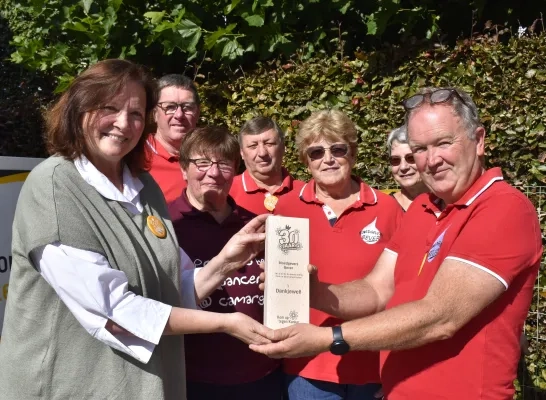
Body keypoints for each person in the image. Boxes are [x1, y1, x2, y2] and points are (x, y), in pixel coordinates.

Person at [0, 59, 272, 400]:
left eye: (136, 113)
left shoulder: (145, 188)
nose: (123, 124)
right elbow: (113, 312)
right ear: (77, 110)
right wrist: (226, 321)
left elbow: (173, 289)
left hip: (142, 385)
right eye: (109, 108)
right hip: (69, 387)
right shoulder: (55, 184)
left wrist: (226, 261)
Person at [251, 88, 543, 400]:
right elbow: (377, 290)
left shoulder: (504, 208)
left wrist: (329, 337)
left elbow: (440, 316)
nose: (432, 160)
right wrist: (312, 291)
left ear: (479, 140)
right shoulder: (420, 209)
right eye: (420, 148)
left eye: (444, 143)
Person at [272, 109, 403, 400]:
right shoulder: (287, 208)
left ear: (353, 154)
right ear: (306, 161)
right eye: (316, 152)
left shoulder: (386, 208)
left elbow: (401, 288)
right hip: (308, 365)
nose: (327, 158)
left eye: (338, 149)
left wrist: (393, 362)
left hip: (370, 363)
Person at [168, 125, 282, 400]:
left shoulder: (255, 224)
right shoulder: (165, 226)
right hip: (193, 379)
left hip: (261, 374)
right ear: (184, 169)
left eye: (223, 164)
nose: (214, 173)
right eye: (202, 163)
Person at [230, 116, 304, 214]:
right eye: (253, 146)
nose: (262, 153)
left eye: (269, 144)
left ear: (283, 148)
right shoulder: (227, 192)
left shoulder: (305, 193)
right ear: (242, 153)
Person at [147, 74, 200, 203]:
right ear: (154, 114)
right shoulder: (136, 157)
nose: (179, 115)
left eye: (187, 107)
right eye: (170, 107)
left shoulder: (210, 158)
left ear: (198, 113)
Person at [386, 124, 428, 211]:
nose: (403, 167)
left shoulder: (446, 203)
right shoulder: (385, 209)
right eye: (395, 160)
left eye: (411, 158)